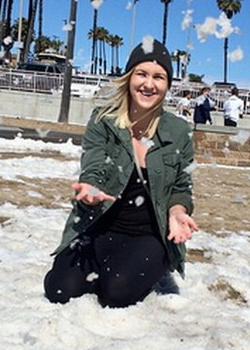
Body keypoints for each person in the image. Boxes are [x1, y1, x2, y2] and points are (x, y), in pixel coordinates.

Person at [44, 37, 199, 308]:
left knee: (116, 293)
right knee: (59, 289)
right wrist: (90, 188)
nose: (149, 84)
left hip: (148, 234)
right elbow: (92, 164)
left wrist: (177, 212)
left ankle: (155, 265)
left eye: (159, 77)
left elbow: (181, 187)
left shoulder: (179, 131)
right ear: (129, 77)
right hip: (98, 225)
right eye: (141, 74)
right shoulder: (103, 120)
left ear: (167, 85)